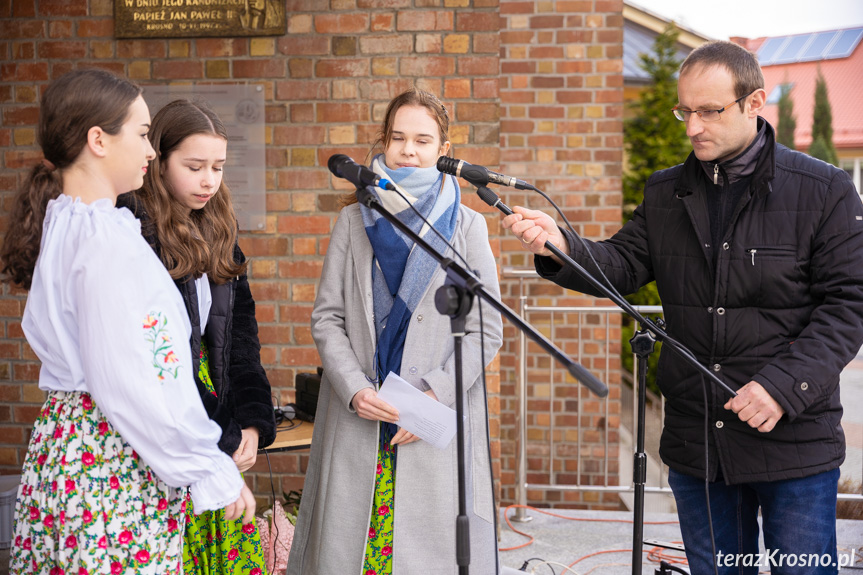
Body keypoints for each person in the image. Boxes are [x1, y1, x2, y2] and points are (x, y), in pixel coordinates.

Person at [503, 41, 863, 574]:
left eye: (709, 111)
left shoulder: (824, 189)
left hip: (792, 442)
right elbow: (621, 265)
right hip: (700, 446)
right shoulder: (664, 192)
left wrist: (783, 388)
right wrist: (562, 245)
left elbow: (849, 305)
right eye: (684, 111)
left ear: (755, 102)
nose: (692, 126)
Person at [1, 69, 255, 575]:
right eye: (141, 134)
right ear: (98, 140)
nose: (150, 150)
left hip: (71, 446)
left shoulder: (71, 221)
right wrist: (207, 467)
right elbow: (138, 380)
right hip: (110, 459)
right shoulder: (104, 240)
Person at [287, 88, 504, 575]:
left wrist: (434, 393)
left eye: (423, 140)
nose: (408, 150)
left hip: (430, 419)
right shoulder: (352, 219)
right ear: (383, 143)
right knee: (352, 553)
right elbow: (328, 317)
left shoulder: (467, 226)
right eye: (398, 137)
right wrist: (354, 389)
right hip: (360, 415)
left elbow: (486, 327)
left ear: (443, 151)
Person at [115, 98, 276, 574]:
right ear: (158, 161)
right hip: (170, 420)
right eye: (194, 166)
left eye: (218, 167)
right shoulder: (134, 229)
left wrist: (250, 420)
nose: (209, 180)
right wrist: (219, 438)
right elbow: (153, 359)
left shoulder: (219, 226)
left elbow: (241, 339)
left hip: (219, 407)